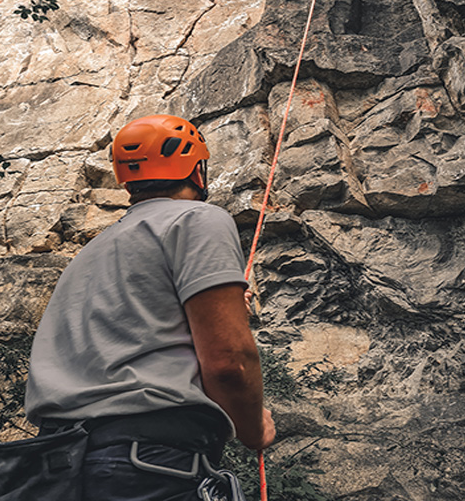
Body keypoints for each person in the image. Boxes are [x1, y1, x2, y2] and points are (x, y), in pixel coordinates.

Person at [22, 114, 276, 500]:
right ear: (197, 170)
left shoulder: (91, 252)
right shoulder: (198, 219)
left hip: (55, 469)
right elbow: (228, 363)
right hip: (147, 464)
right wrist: (254, 428)